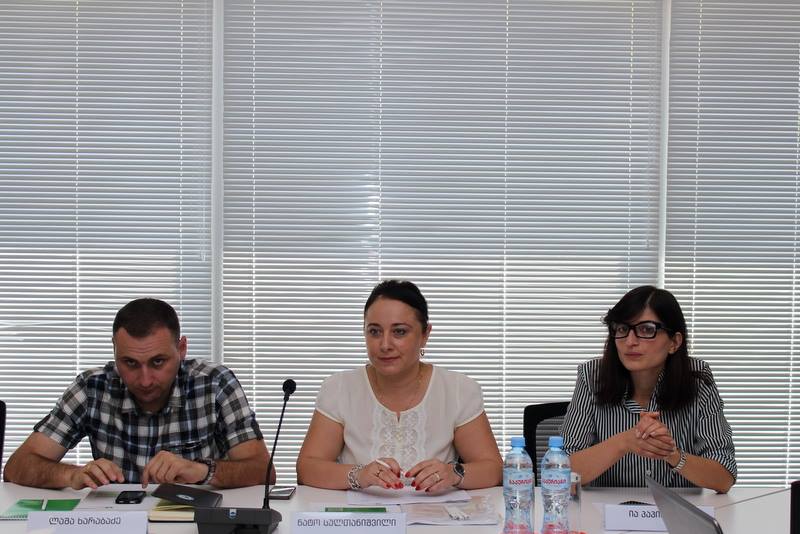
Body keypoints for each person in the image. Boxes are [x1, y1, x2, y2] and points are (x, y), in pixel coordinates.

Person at [3, 298, 274, 490]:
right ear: (114, 350)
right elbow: (17, 467)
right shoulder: (91, 388)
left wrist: (203, 471)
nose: (144, 380)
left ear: (181, 349)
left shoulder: (215, 384)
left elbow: (264, 471)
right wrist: (71, 475)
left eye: (158, 362)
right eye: (130, 363)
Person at [296, 280, 502, 492]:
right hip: (359, 512)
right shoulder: (339, 388)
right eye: (374, 332)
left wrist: (454, 473)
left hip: (436, 512)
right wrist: (358, 474)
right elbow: (307, 468)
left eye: (400, 332)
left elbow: (493, 469)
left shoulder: (458, 390)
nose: (385, 345)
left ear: (425, 335)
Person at [561, 285, 736, 493]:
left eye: (646, 329)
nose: (630, 341)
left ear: (674, 342)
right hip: (605, 511)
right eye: (622, 329)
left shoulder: (697, 379)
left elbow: (724, 477)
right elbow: (560, 472)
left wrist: (670, 453)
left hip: (677, 511)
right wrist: (625, 442)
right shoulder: (592, 377)